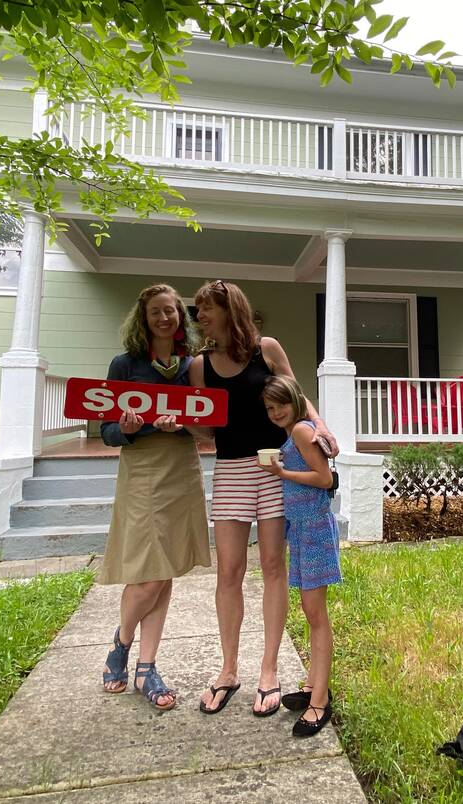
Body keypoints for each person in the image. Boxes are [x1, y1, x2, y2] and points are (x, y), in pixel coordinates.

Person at [190, 279, 337, 717]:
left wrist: (321, 425)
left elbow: (296, 395)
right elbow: (204, 427)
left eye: (205, 309)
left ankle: (269, 670)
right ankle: (229, 669)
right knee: (229, 571)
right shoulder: (201, 365)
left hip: (274, 467)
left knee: (273, 565)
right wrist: (177, 423)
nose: (199, 317)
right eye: (197, 311)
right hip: (232, 468)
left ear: (228, 308)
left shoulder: (266, 348)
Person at [99, 283, 210, 712]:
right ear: (143, 321)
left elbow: (204, 423)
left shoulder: (190, 367)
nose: (165, 318)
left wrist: (178, 426)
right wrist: (126, 428)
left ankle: (146, 667)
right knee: (149, 571)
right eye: (156, 313)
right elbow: (108, 431)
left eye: (171, 311)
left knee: (165, 569)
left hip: (181, 467)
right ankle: (121, 643)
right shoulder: (125, 365)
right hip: (143, 469)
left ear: (180, 318)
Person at [261, 375, 340, 737]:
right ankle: (312, 685)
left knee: (315, 614)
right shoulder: (298, 430)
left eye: (281, 405)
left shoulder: (301, 432)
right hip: (304, 530)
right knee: (311, 613)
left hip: (315, 531)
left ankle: (320, 702)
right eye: (270, 408)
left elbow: (323, 478)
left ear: (295, 400)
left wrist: (280, 471)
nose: (276, 412)